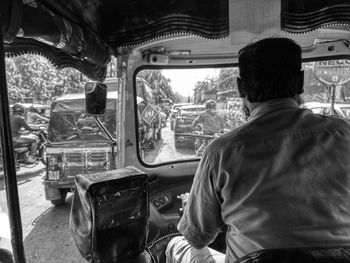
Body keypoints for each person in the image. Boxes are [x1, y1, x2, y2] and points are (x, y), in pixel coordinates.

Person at [166, 38, 350, 263]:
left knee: (179, 244)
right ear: (301, 82)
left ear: (240, 87)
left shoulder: (221, 153)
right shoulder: (344, 134)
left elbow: (197, 238)